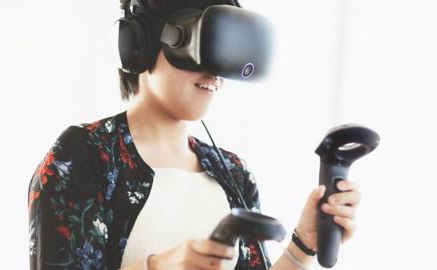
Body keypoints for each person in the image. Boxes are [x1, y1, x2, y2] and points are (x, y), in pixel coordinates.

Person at [27, 0, 362, 269]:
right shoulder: (85, 155)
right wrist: (158, 267)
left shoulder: (233, 173)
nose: (215, 70)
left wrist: (302, 246)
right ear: (139, 43)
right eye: (203, 42)